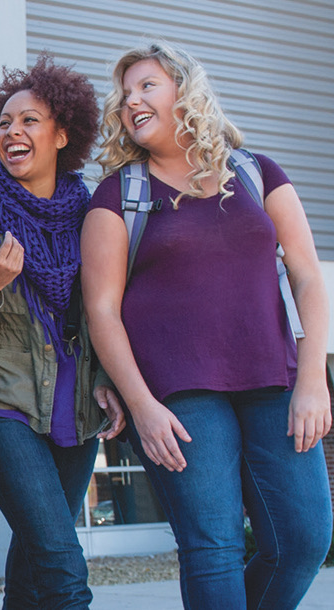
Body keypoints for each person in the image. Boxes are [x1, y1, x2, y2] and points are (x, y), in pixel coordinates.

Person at [82, 41, 332, 610]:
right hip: (179, 396)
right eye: (125, 95)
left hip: (275, 380)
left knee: (302, 539)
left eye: (147, 85)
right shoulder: (119, 195)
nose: (132, 101)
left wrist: (313, 378)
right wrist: (142, 406)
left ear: (185, 90)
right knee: (212, 547)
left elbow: (308, 278)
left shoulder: (256, 173)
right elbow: (102, 310)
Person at [0, 54, 124, 610]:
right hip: (3, 410)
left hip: (76, 415)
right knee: (61, 566)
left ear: (61, 134)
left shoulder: (94, 218)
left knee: (32, 567)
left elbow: (110, 312)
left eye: (29, 120)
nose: (13, 132)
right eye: (4, 123)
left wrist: (110, 380)